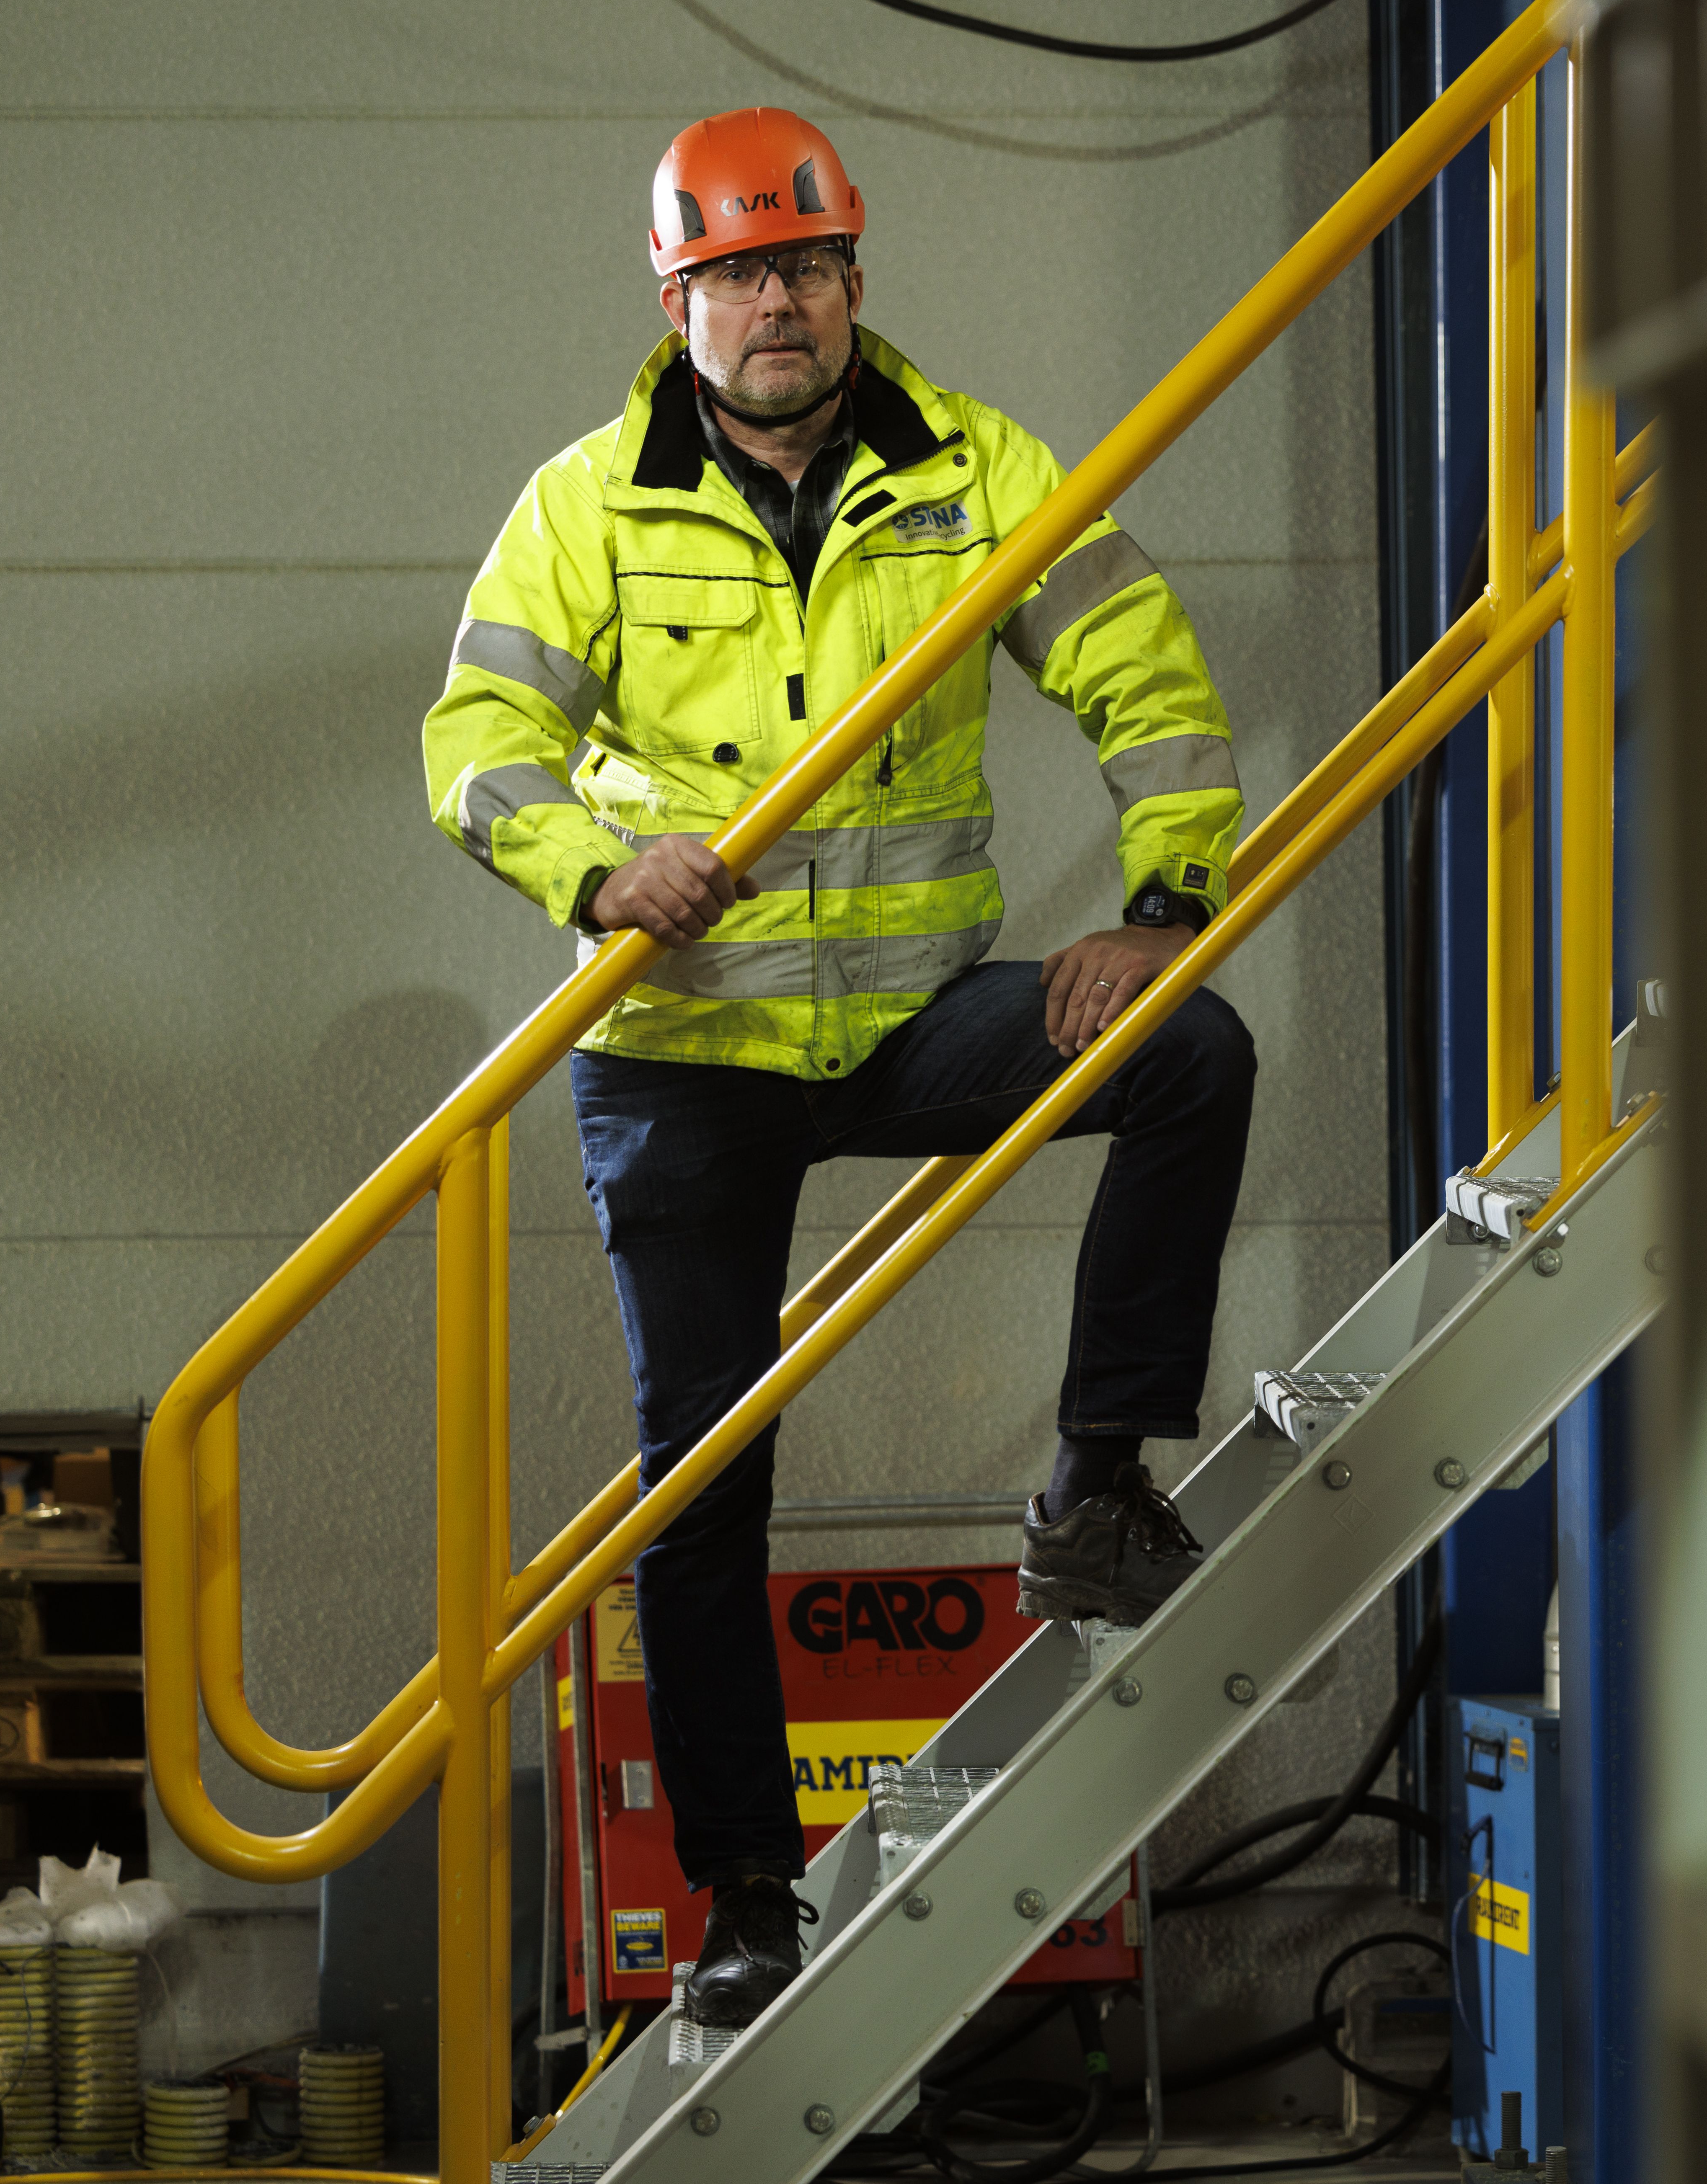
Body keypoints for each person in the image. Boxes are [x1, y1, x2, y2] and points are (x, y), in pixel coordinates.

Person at [421, 108, 1257, 2029]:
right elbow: (473, 740)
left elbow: (1146, 673)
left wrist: (1157, 898)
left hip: (901, 1016)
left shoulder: (978, 473)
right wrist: (592, 865)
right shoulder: (585, 506)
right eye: (728, 276)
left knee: (1189, 1051)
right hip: (680, 1047)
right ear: (675, 304)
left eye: (798, 265)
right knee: (701, 1485)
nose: (770, 303)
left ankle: (1093, 1481)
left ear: (854, 280)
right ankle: (742, 1905)